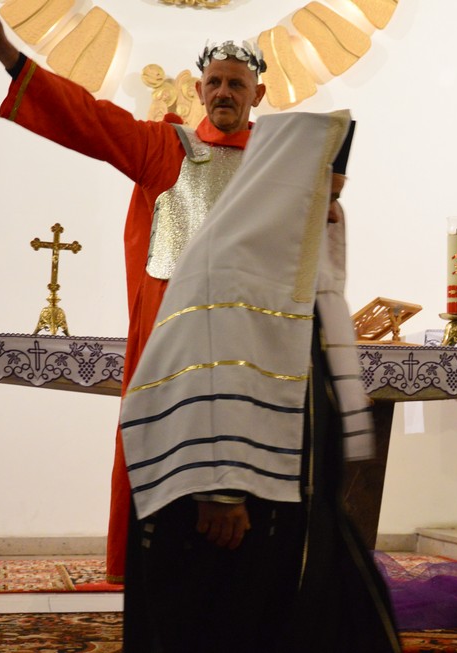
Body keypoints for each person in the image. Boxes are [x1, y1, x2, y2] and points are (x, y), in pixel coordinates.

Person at [0, 0, 268, 583]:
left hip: (248, 349)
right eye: (216, 82)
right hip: (173, 350)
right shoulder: (165, 148)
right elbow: (88, 118)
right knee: (165, 508)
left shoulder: (275, 169)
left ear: (258, 94)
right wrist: (8, 55)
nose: (224, 92)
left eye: (236, 84)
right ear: (200, 89)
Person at [117, 111, 400, 652]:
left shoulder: (296, 275)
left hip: (298, 503)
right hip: (233, 510)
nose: (333, 213)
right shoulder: (224, 263)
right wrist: (219, 490)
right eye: (323, 196)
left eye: (339, 197)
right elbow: (199, 380)